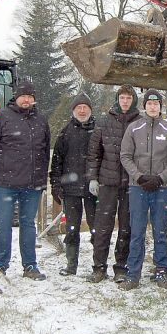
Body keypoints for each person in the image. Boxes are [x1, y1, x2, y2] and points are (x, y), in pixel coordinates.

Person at [0, 80, 50, 280]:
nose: (26, 99)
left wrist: (42, 179)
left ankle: (30, 266)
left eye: (30, 96)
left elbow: (45, 152)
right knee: (4, 223)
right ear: (16, 97)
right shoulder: (1, 118)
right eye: (23, 96)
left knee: (28, 224)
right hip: (6, 183)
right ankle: (0, 264)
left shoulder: (41, 121)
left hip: (32, 185)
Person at [119, 89, 167, 290]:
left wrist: (160, 178)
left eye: (156, 104)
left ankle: (161, 270)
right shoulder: (134, 128)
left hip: (162, 188)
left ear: (161, 106)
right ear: (144, 106)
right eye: (149, 103)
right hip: (138, 188)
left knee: (160, 230)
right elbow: (125, 156)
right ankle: (133, 273)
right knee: (136, 231)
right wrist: (139, 176)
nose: (153, 107)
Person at [85, 85, 140, 283]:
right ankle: (99, 267)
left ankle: (121, 267)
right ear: (118, 99)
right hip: (107, 183)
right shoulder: (104, 122)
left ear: (133, 100)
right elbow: (94, 153)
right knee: (102, 227)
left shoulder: (139, 123)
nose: (125, 101)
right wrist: (92, 177)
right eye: (122, 98)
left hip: (130, 184)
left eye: (128, 98)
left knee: (126, 227)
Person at [50, 93, 97, 276]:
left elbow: (105, 158)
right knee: (72, 228)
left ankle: (98, 266)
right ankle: (71, 265)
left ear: (90, 110)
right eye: (79, 107)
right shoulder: (65, 132)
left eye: (85, 107)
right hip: (70, 190)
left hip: (93, 189)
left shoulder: (98, 131)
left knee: (96, 229)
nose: (82, 110)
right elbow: (57, 161)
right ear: (74, 110)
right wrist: (56, 184)